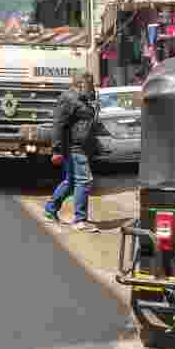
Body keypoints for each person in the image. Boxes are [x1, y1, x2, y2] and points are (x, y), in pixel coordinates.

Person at [45, 72, 100, 232]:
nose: (93, 87)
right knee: (84, 180)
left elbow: (86, 123)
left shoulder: (84, 100)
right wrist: (56, 150)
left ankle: (50, 210)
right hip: (74, 147)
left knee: (70, 183)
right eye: (90, 83)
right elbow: (58, 125)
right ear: (81, 84)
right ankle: (80, 220)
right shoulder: (68, 99)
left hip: (81, 147)